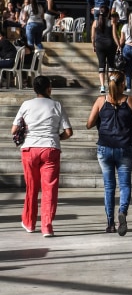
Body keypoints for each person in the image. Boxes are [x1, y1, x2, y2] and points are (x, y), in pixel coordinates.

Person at [11, 76, 73, 237]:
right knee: (49, 189)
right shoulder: (57, 105)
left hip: (29, 149)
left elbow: (13, 130)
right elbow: (68, 132)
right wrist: (55, 137)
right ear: (48, 89)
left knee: (31, 188)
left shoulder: (26, 105)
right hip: (50, 149)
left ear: (34, 89)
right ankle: (47, 226)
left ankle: (29, 223)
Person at [86, 70, 132, 236]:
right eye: (124, 82)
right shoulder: (131, 100)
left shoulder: (100, 101)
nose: (126, 84)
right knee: (125, 184)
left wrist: (101, 118)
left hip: (104, 148)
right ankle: (123, 212)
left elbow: (89, 124)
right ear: (121, 84)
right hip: (125, 148)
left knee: (108, 187)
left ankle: (110, 223)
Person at [91, 5, 119, 94]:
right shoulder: (111, 22)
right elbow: (114, 35)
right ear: (108, 13)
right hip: (110, 45)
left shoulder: (95, 22)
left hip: (99, 45)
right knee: (111, 65)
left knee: (101, 65)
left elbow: (92, 36)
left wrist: (93, 45)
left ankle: (102, 86)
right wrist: (119, 45)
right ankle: (111, 84)